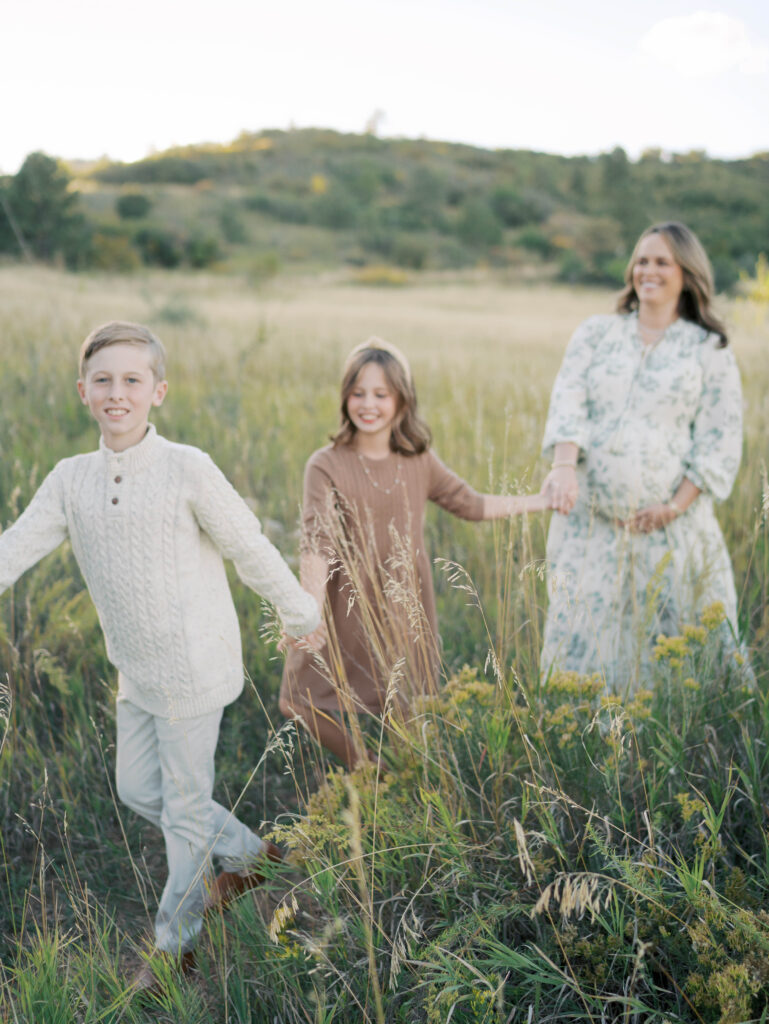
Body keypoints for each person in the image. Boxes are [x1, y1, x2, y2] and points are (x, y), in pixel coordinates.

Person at [0, 321, 320, 988]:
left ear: (158, 391)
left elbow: (248, 545)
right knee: (137, 789)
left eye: (132, 380)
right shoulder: (70, 479)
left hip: (195, 669)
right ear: (83, 391)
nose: (117, 392)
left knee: (182, 811)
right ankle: (252, 855)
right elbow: (16, 546)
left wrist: (299, 613)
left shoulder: (186, 467)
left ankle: (176, 948)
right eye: (103, 380)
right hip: (137, 672)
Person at [279, 337, 548, 770]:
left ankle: (405, 783)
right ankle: (364, 765)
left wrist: (542, 500)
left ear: (402, 401)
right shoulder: (325, 463)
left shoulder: (419, 460)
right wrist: (308, 609)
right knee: (296, 699)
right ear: (345, 397)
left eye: (381, 394)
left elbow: (471, 504)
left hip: (401, 604)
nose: (368, 405)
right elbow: (316, 539)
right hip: (341, 605)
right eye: (358, 393)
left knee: (404, 706)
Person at [540, 221, 743, 691]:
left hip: (671, 529)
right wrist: (564, 467)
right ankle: (584, 731)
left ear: (687, 274)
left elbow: (720, 437)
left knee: (673, 648)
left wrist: (673, 506)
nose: (648, 271)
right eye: (642, 261)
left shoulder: (709, 349)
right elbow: (569, 400)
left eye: (662, 262)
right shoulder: (596, 333)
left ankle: (679, 729)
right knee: (586, 642)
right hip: (591, 528)